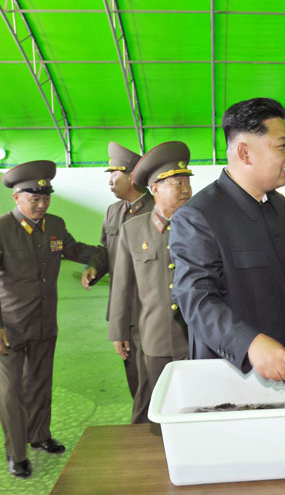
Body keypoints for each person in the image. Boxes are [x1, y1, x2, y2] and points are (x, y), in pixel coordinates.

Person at [169, 97, 285, 382]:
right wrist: (249, 342)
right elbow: (196, 298)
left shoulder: (278, 205)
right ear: (245, 153)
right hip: (237, 374)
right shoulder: (198, 216)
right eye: (281, 146)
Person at [0, 161, 99, 478]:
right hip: (10, 328)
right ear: (17, 197)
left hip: (45, 323)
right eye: (35, 199)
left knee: (40, 382)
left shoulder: (54, 225)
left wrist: (104, 256)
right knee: (12, 391)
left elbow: (75, 249)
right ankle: (16, 452)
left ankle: (40, 435)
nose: (42, 205)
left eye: (46, 198)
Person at [108, 141, 192, 396]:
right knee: (154, 400)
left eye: (187, 182)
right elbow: (122, 285)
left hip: (195, 336)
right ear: (155, 188)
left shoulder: (201, 227)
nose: (185, 189)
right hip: (155, 336)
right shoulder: (133, 230)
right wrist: (119, 331)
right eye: (177, 183)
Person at [81, 141, 154, 423]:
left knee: (156, 377)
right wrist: (94, 267)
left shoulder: (157, 209)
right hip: (124, 310)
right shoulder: (113, 211)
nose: (110, 180)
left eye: (115, 174)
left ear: (132, 176)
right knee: (134, 377)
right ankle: (145, 434)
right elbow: (106, 250)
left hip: (152, 309)